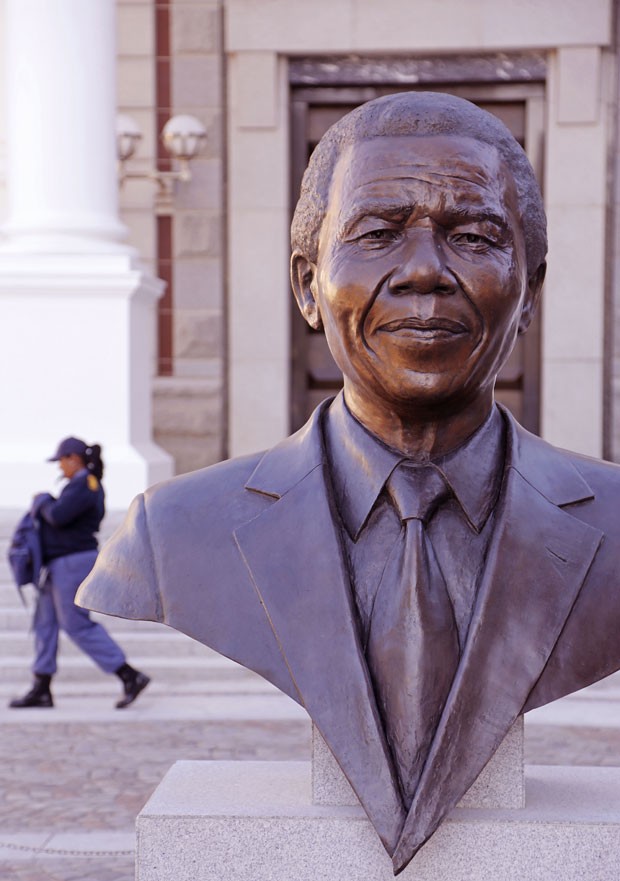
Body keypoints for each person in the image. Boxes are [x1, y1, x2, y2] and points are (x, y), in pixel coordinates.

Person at [77, 92, 620, 874]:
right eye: (376, 233)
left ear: (530, 288)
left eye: (474, 235)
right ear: (307, 283)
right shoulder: (172, 534)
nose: (426, 271)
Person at [9, 436, 151, 711]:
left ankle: (129, 675)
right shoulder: (78, 484)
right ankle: (41, 687)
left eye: (61, 461)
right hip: (59, 564)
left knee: (77, 624)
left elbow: (58, 516)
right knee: (45, 624)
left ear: (73, 458)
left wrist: (42, 501)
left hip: (73, 563)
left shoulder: (85, 485)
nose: (60, 467)